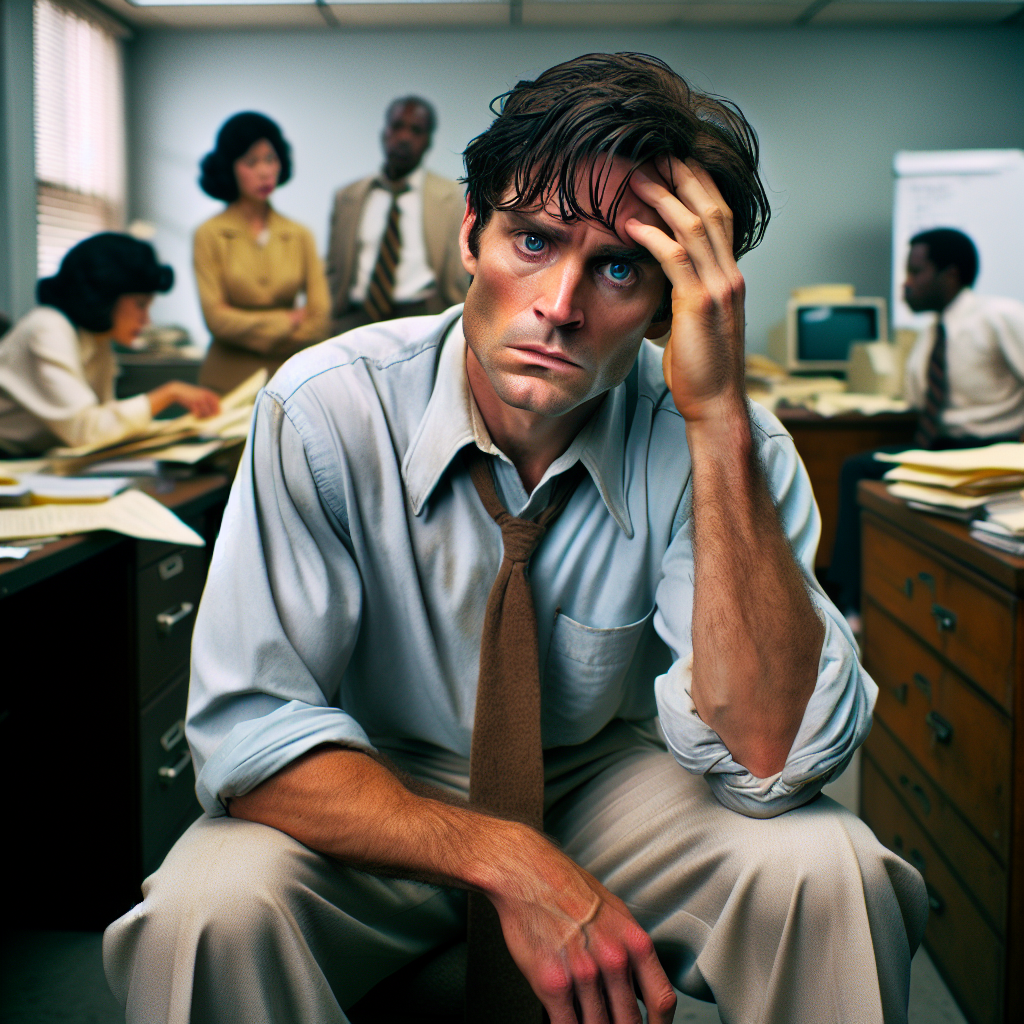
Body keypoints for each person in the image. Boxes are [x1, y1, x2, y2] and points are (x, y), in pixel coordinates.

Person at [104, 54, 927, 1024]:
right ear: (469, 232)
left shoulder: (724, 441)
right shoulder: (324, 408)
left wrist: (716, 422)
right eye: (532, 240)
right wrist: (504, 857)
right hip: (376, 771)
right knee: (200, 914)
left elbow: (766, 753)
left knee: (828, 869)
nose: (560, 305)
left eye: (619, 266)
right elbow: (252, 732)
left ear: (671, 298)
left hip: (604, 776)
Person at [829, 227, 1024, 622]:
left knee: (859, 468)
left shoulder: (999, 316)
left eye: (915, 272)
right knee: (860, 468)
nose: (906, 283)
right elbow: (919, 399)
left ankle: (849, 604)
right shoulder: (933, 331)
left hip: (988, 451)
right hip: (942, 450)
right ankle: (849, 601)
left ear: (949, 275)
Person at [0, 233, 219, 457]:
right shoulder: (46, 328)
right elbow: (87, 431)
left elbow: (105, 423)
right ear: (106, 295)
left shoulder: (96, 338)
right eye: (141, 305)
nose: (147, 320)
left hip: (34, 457)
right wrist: (169, 393)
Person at [194, 112, 330, 394]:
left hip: (290, 381)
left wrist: (246, 325)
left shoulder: (300, 234)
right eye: (251, 162)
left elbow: (320, 319)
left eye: (270, 158)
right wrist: (288, 320)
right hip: (225, 385)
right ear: (230, 167)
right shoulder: (209, 234)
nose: (265, 171)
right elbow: (217, 321)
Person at [325, 95, 469, 334]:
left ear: (427, 142)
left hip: (421, 318)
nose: (404, 137)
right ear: (385, 132)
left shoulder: (451, 198)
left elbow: (459, 272)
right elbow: (334, 267)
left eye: (416, 130)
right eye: (397, 126)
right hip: (355, 317)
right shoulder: (348, 197)